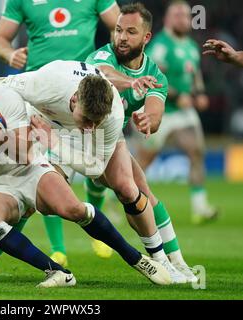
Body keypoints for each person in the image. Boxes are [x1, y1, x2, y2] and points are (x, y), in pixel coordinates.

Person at [0, 42, 171, 287]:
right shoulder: (39, 85)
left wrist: (1, 136)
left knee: (75, 209)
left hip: (34, 159)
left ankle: (137, 258)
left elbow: (33, 156)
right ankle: (52, 270)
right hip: (2, 174)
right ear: (73, 101)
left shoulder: (109, 111)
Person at [0, 0, 120, 267]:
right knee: (41, 173)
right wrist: (9, 54)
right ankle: (58, 249)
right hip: (42, 94)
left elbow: (120, 28)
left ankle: (95, 226)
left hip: (88, 97)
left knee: (99, 174)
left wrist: (106, 60)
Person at [83, 2, 196, 282]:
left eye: (130, 32)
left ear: (146, 37)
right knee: (33, 198)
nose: (121, 37)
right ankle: (161, 263)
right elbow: (103, 75)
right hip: (73, 136)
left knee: (138, 190)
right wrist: (130, 84)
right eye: (118, 30)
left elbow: (156, 111)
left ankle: (176, 262)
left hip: (108, 141)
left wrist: (149, 121)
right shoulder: (101, 57)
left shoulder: (156, 75)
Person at [134, 0, 218, 225]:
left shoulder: (191, 46)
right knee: (142, 163)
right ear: (169, 19)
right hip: (158, 110)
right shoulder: (160, 45)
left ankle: (200, 207)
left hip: (183, 113)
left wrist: (199, 93)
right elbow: (153, 79)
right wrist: (176, 96)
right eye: (179, 15)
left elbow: (195, 74)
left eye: (187, 15)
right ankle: (116, 197)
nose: (184, 19)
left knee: (196, 151)